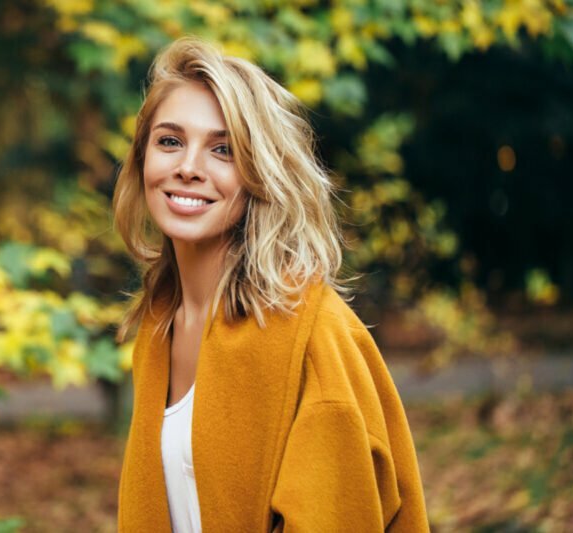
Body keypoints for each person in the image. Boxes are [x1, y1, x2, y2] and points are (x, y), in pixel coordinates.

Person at [112, 36, 430, 532]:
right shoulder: (157, 330)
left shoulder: (314, 334)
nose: (189, 167)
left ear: (260, 174)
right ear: (141, 160)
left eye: (223, 149)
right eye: (170, 141)